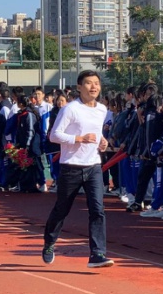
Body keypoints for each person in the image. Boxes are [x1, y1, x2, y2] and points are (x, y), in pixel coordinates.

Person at [42, 70, 113, 268]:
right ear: (80, 87)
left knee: (98, 209)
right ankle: (49, 242)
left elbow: (97, 134)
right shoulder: (70, 109)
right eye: (89, 83)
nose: (93, 87)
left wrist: (102, 142)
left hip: (93, 166)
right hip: (71, 166)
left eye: (96, 83)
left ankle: (97, 254)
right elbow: (54, 135)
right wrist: (79, 139)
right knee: (62, 209)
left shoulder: (101, 109)